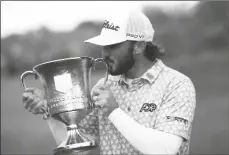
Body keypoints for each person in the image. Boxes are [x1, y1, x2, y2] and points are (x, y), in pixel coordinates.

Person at [22, 11, 196, 155]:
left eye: (112, 45)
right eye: (103, 45)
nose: (104, 53)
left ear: (139, 46)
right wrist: (49, 109)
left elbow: (165, 150)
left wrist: (114, 112)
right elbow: (78, 149)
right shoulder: (105, 85)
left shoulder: (177, 84)